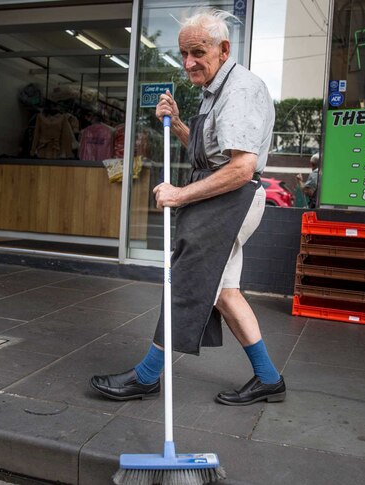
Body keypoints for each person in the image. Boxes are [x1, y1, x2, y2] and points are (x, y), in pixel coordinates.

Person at [90, 8, 285, 406]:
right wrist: (179, 124)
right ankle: (268, 378)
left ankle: (146, 376)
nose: (189, 62)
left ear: (223, 48)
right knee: (225, 292)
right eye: (183, 54)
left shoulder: (240, 89)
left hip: (233, 199)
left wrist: (179, 194)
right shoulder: (217, 89)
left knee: (186, 281)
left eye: (197, 52)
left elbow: (241, 166)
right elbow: (210, 154)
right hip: (224, 197)